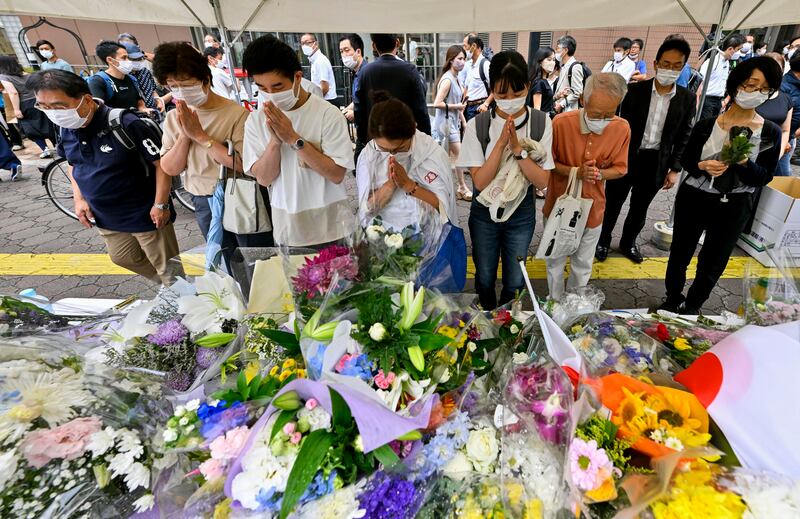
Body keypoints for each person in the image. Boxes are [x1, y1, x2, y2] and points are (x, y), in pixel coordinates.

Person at [29, 69, 180, 283]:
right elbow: (73, 163)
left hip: (145, 213)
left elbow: (162, 165)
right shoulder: (66, 128)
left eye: (58, 106)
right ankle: (175, 290)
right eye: (43, 107)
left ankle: (182, 299)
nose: (53, 113)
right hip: (105, 216)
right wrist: (79, 199)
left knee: (168, 269)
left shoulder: (126, 123)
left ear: (87, 100)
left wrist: (161, 204)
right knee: (123, 258)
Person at [662, 57, 783, 314]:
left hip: (735, 204)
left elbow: (764, 176)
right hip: (695, 196)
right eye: (751, 85)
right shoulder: (708, 124)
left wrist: (743, 163)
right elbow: (687, 158)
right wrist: (703, 166)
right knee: (681, 252)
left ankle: (693, 306)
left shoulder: (769, 132)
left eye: (764, 89)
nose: (756, 93)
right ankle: (672, 298)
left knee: (714, 260)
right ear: (736, 84)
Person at [155, 42, 274, 267]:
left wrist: (201, 136)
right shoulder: (174, 118)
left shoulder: (236, 115)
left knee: (256, 262)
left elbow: (245, 165)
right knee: (223, 263)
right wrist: (186, 134)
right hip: (202, 201)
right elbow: (170, 168)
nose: (180, 92)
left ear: (206, 80)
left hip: (239, 197)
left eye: (187, 84)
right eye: (173, 85)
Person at [458, 51, 553, 309]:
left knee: (514, 279)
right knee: (485, 276)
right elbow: (479, 183)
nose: (510, 100)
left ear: (528, 83)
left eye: (517, 91)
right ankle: (487, 319)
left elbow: (542, 181)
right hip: (483, 213)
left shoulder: (541, 122)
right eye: (501, 94)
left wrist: (519, 151)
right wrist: (501, 144)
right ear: (491, 90)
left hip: (521, 212)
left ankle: (509, 323)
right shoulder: (478, 125)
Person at [242, 35, 353, 249]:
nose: (270, 95)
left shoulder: (327, 114)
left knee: (342, 282)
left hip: (332, 226)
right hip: (288, 229)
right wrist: (275, 142)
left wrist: (293, 138)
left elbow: (336, 174)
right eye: (262, 88)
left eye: (277, 86)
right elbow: (264, 179)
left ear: (298, 77)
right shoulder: (255, 121)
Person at [598, 38, 695, 264]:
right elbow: (615, 126)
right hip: (625, 158)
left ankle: (628, 242)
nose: (670, 69)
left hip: (656, 161)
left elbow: (684, 136)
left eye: (676, 65)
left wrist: (675, 168)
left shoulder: (687, 98)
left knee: (640, 208)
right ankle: (603, 240)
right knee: (612, 203)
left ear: (683, 67)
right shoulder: (633, 91)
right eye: (666, 63)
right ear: (655, 63)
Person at [543, 73, 630, 301]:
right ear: (582, 100)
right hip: (559, 206)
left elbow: (621, 168)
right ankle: (554, 304)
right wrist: (576, 172)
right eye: (595, 114)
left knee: (582, 264)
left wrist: (599, 173)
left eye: (609, 114)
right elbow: (549, 165)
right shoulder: (560, 123)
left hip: (594, 209)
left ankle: (573, 309)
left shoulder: (622, 128)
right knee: (555, 261)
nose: (601, 120)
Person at [356, 93, 457, 233]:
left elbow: (443, 208)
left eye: (399, 149)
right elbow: (366, 210)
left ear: (413, 130)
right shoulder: (369, 156)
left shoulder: (432, 153)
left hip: (426, 237)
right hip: (381, 238)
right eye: (384, 149)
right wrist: (390, 184)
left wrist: (408, 184)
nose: (392, 155)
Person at [354, 33, 430, 157]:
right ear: (398, 43)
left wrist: (363, 137)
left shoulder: (365, 71)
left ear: (373, 46)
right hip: (404, 141)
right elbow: (421, 109)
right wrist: (426, 138)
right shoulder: (409, 70)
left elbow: (359, 108)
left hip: (376, 141)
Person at [432, 45, 471, 201]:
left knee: (444, 161)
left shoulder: (456, 78)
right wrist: (458, 108)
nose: (462, 62)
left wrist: (463, 120)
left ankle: (445, 189)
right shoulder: (448, 79)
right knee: (460, 157)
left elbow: (456, 105)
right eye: (459, 59)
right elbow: (437, 103)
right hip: (445, 126)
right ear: (451, 60)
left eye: (464, 59)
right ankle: (461, 187)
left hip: (452, 125)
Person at [0, 55, 57, 158]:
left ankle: (45, 148)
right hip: (37, 101)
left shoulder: (4, 77)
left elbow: (13, 93)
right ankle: (57, 146)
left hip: (23, 104)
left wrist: (16, 110)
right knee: (47, 125)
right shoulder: (27, 74)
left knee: (29, 130)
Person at [756, 53, 794, 177]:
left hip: (771, 155)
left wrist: (779, 153)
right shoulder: (750, 94)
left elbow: (785, 130)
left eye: (777, 69)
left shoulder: (786, 99)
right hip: (746, 151)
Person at [696, 33, 745, 120]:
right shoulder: (712, 62)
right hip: (707, 100)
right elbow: (700, 83)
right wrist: (697, 103)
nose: (739, 53)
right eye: (738, 50)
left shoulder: (727, 62)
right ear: (730, 49)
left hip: (718, 101)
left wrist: (725, 101)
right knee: (704, 129)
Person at [89, 41, 147, 111]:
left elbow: (139, 100)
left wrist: (143, 109)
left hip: (135, 120)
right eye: (124, 58)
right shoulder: (97, 81)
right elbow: (96, 110)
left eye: (128, 57)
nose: (128, 61)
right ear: (110, 60)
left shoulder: (132, 79)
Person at [123, 42, 161, 112]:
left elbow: (153, 91)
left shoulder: (145, 72)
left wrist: (159, 101)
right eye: (134, 59)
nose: (137, 62)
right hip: (136, 115)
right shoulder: (123, 76)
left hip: (154, 111)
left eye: (139, 59)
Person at [300, 33, 338, 103]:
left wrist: (313, 101)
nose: (304, 46)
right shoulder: (314, 60)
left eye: (307, 43)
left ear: (316, 44)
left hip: (327, 101)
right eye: (302, 43)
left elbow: (325, 88)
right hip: (322, 100)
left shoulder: (320, 61)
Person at [463, 35, 493, 121]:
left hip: (479, 108)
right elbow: (467, 87)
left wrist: (486, 104)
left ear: (474, 46)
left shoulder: (485, 64)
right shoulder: (469, 65)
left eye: (465, 46)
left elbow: (496, 88)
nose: (463, 49)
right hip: (468, 108)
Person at [339, 34, 366, 123]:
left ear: (358, 52)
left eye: (347, 50)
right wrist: (346, 110)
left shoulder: (367, 73)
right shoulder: (356, 72)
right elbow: (358, 100)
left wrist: (356, 113)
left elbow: (374, 104)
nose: (344, 55)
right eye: (341, 51)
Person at [553, 35, 584, 113]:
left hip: (568, 111)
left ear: (565, 50)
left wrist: (561, 104)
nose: (556, 51)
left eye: (557, 49)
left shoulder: (575, 66)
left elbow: (577, 92)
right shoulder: (564, 66)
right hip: (559, 110)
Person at [780, 54, 800, 172]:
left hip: (790, 137)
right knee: (783, 175)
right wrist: (784, 138)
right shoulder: (784, 86)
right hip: (780, 140)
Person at [526, 46, 556, 117]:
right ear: (540, 62)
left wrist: (557, 96)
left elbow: (544, 101)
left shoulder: (543, 80)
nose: (552, 63)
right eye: (549, 60)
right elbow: (537, 110)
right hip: (542, 121)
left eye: (554, 60)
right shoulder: (539, 83)